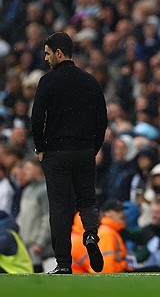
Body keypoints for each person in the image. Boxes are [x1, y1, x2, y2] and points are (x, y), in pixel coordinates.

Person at [31, 32, 108, 274]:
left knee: (60, 207)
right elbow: (102, 119)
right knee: (87, 199)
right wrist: (93, 147)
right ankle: (91, 235)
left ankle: (63, 263)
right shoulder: (89, 81)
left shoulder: (47, 81)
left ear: (58, 53)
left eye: (47, 53)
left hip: (56, 152)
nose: (45, 58)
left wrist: (40, 148)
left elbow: (36, 119)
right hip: (85, 150)